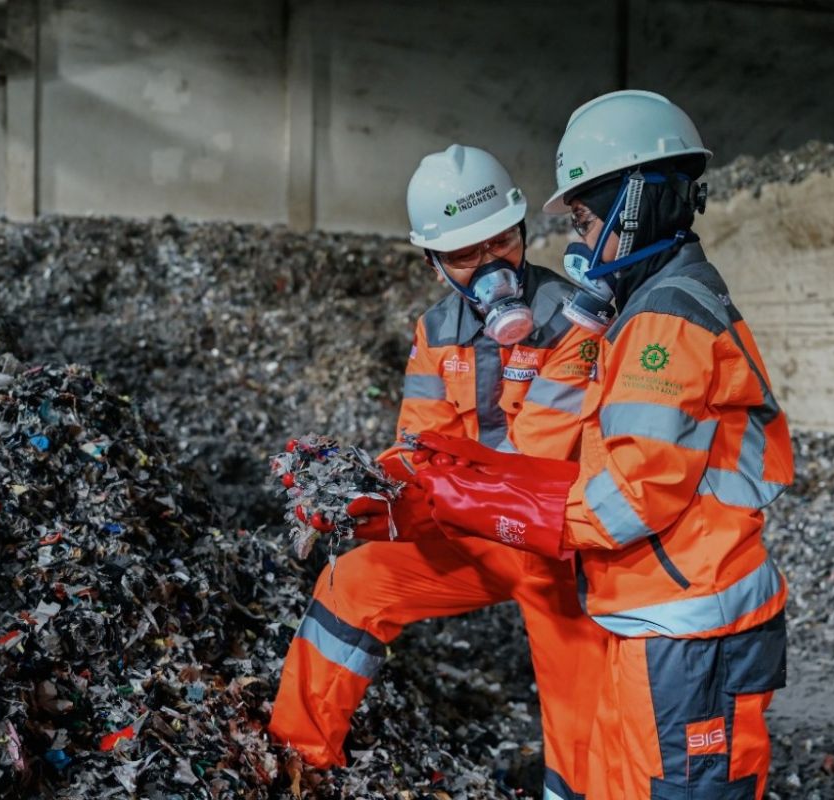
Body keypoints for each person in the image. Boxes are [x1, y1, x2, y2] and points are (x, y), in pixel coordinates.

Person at [410, 91, 793, 800]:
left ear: (638, 205)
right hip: (653, 611)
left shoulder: (664, 325)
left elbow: (631, 496)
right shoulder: (638, 314)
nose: (580, 243)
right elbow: (556, 447)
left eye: (585, 220)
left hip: (691, 626)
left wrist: (507, 512)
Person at [268, 143, 609, 800]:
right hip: (475, 532)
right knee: (350, 581)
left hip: (560, 544)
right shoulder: (436, 332)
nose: (490, 266)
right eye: (465, 255)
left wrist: (436, 494)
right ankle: (300, 760)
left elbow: (540, 462)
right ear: (433, 265)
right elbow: (421, 445)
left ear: (522, 231)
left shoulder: (577, 321)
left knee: (580, 690)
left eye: (501, 242)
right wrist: (368, 493)